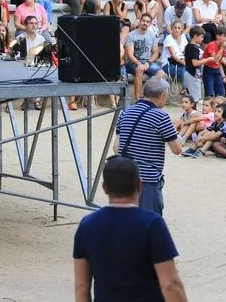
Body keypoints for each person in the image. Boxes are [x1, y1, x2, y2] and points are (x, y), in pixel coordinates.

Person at [73, 156, 188, 302]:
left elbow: (81, 288)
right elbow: (170, 285)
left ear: (105, 188)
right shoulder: (152, 224)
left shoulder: (87, 225)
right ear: (139, 185)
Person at [114, 77, 183, 216]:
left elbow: (116, 147)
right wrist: (176, 133)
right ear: (162, 95)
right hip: (147, 179)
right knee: (149, 221)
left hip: (124, 175)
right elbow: (177, 150)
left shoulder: (126, 112)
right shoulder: (161, 116)